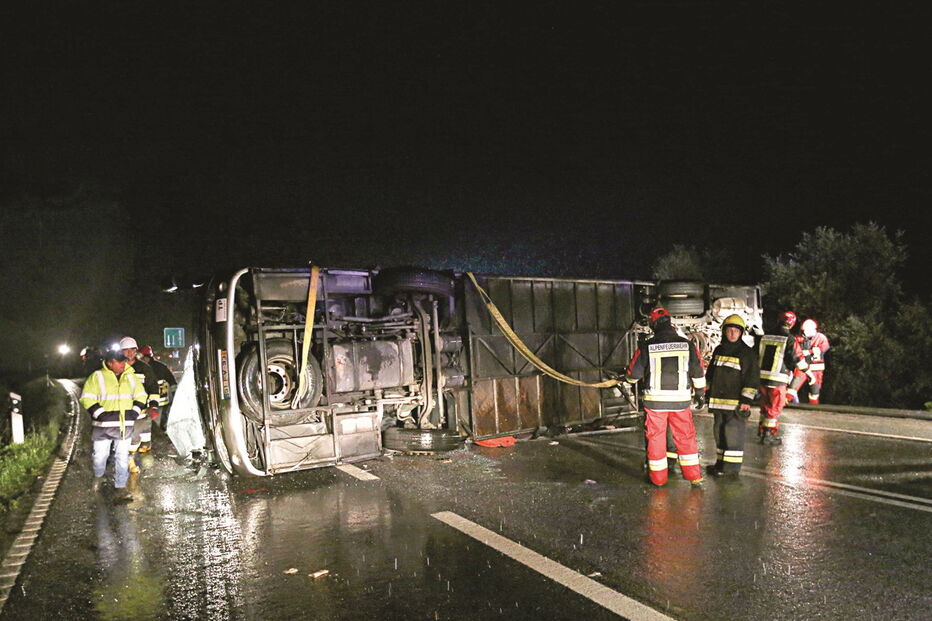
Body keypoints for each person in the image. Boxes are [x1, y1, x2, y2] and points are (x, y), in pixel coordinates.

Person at [624, 307, 706, 487]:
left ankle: (659, 479)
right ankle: (694, 476)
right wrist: (700, 394)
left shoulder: (647, 346)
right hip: (681, 401)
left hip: (655, 403)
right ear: (670, 323)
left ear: (653, 325)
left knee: (656, 438)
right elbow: (698, 372)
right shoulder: (687, 345)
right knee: (685, 437)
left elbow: (633, 375)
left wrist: (626, 378)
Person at [80, 349, 146, 502]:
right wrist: (100, 414)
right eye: (119, 361)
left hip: (124, 424)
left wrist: (134, 412)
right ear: (110, 363)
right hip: (103, 426)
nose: (123, 363)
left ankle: (120, 487)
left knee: (122, 456)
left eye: (124, 361)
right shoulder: (96, 377)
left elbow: (141, 395)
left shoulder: (131, 377)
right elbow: (87, 398)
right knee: (100, 456)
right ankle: (98, 477)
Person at [705, 314, 759, 477]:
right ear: (724, 331)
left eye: (736, 331)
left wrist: (746, 401)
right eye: (730, 330)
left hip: (735, 404)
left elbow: (752, 379)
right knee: (719, 434)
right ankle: (720, 465)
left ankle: (731, 469)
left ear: (741, 333)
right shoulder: (719, 350)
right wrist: (704, 391)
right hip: (718, 403)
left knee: (733, 435)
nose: (733, 334)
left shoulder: (747, 354)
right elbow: (711, 374)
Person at [757, 311, 806, 446]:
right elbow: (797, 360)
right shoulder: (789, 339)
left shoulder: (765, 336)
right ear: (792, 323)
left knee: (764, 405)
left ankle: (762, 431)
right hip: (778, 380)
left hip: (761, 379)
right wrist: (808, 371)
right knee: (774, 408)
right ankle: (768, 435)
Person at [119, 337, 160, 470]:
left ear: (136, 351)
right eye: (126, 350)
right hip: (123, 412)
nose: (129, 353)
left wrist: (153, 406)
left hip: (141, 412)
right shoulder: (116, 368)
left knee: (140, 440)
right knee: (129, 438)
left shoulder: (144, 368)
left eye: (132, 349)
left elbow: (153, 387)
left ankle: (137, 461)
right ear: (121, 352)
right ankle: (129, 462)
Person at [789, 319, 830, 404]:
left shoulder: (821, 338)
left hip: (816, 369)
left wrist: (809, 352)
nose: (804, 333)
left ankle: (814, 409)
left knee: (814, 393)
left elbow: (823, 349)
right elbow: (795, 350)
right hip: (803, 368)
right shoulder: (798, 338)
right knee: (792, 388)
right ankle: (783, 403)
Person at [138, 345, 177, 426]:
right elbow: (172, 382)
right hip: (162, 403)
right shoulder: (162, 367)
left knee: (149, 425)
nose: (140, 360)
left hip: (151, 404)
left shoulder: (144, 369)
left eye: (141, 357)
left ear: (146, 357)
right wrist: (174, 396)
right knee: (161, 425)